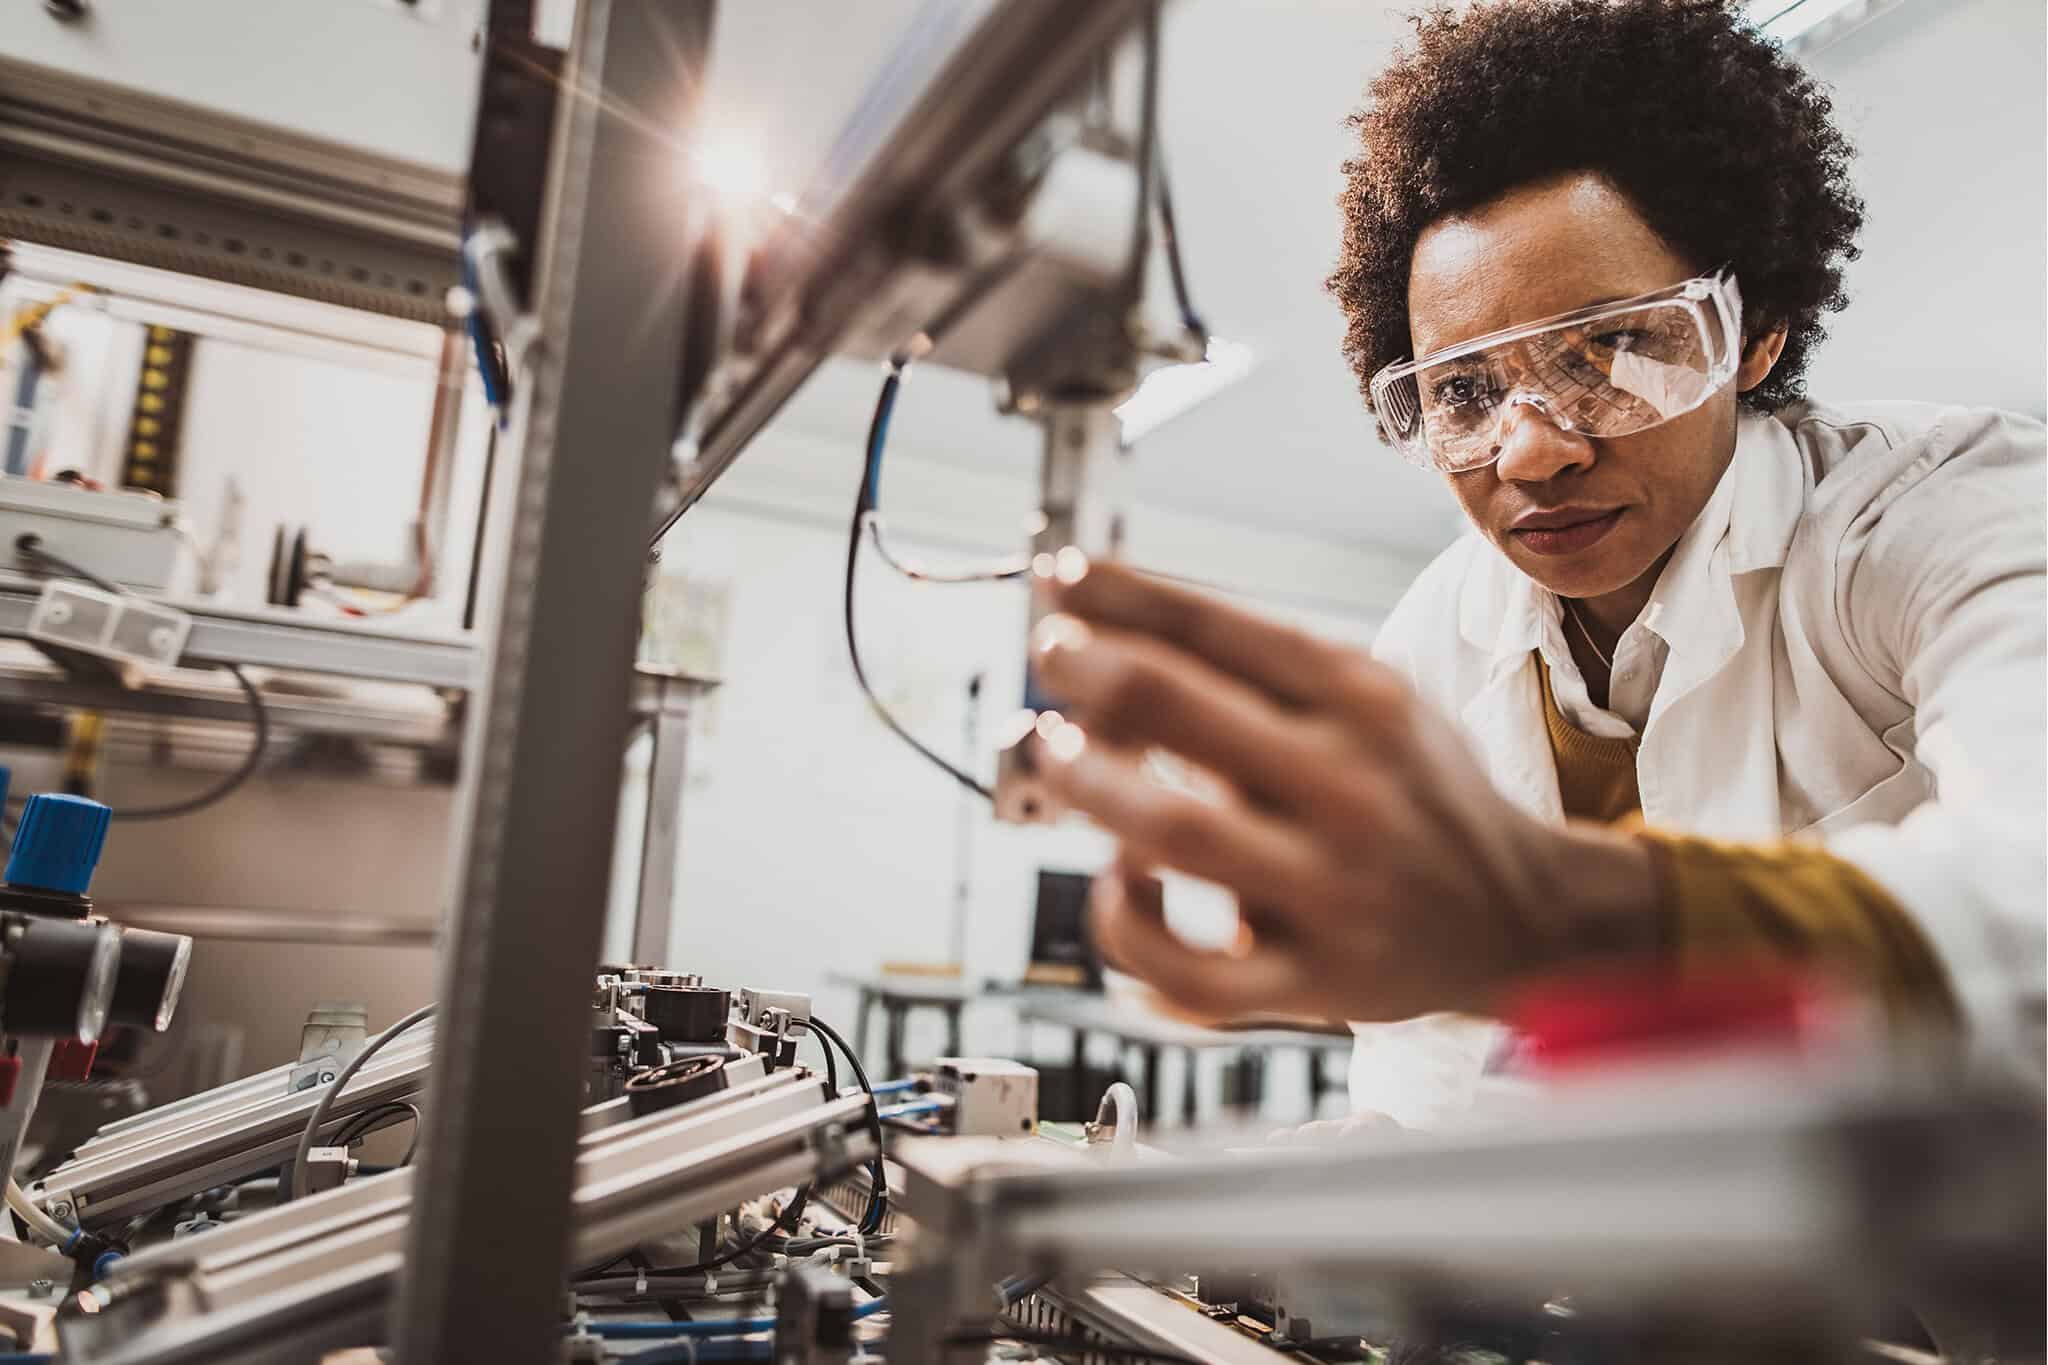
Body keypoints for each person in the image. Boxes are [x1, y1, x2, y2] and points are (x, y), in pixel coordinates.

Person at [1022, 0, 2045, 1125]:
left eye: (1609, 350)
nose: (1533, 450)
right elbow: (1430, 1066)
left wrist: (1563, 915)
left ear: (1753, 331)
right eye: (1462, 391)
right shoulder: (1435, 636)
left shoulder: (1945, 515)